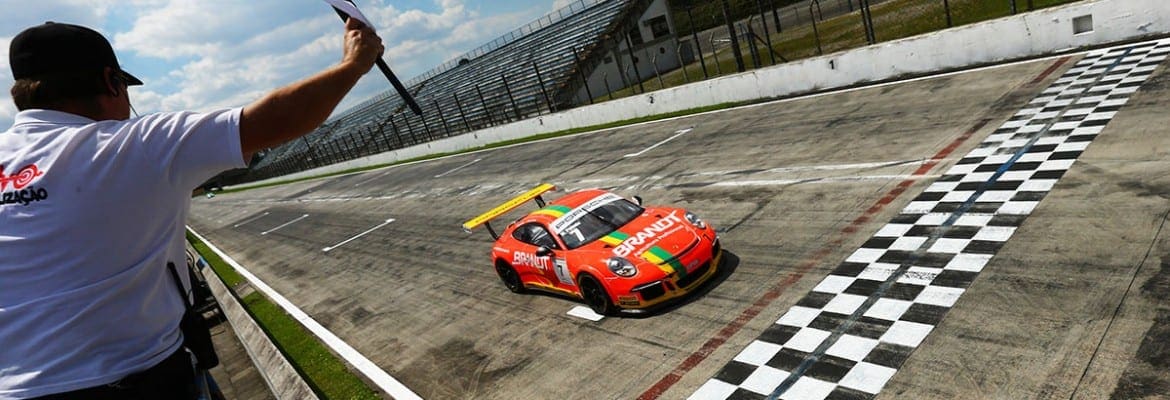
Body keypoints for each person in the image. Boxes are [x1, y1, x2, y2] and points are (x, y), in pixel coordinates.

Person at [0, 16, 384, 399]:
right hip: (139, 377)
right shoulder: (135, 143)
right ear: (109, 82)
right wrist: (353, 65)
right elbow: (274, 120)